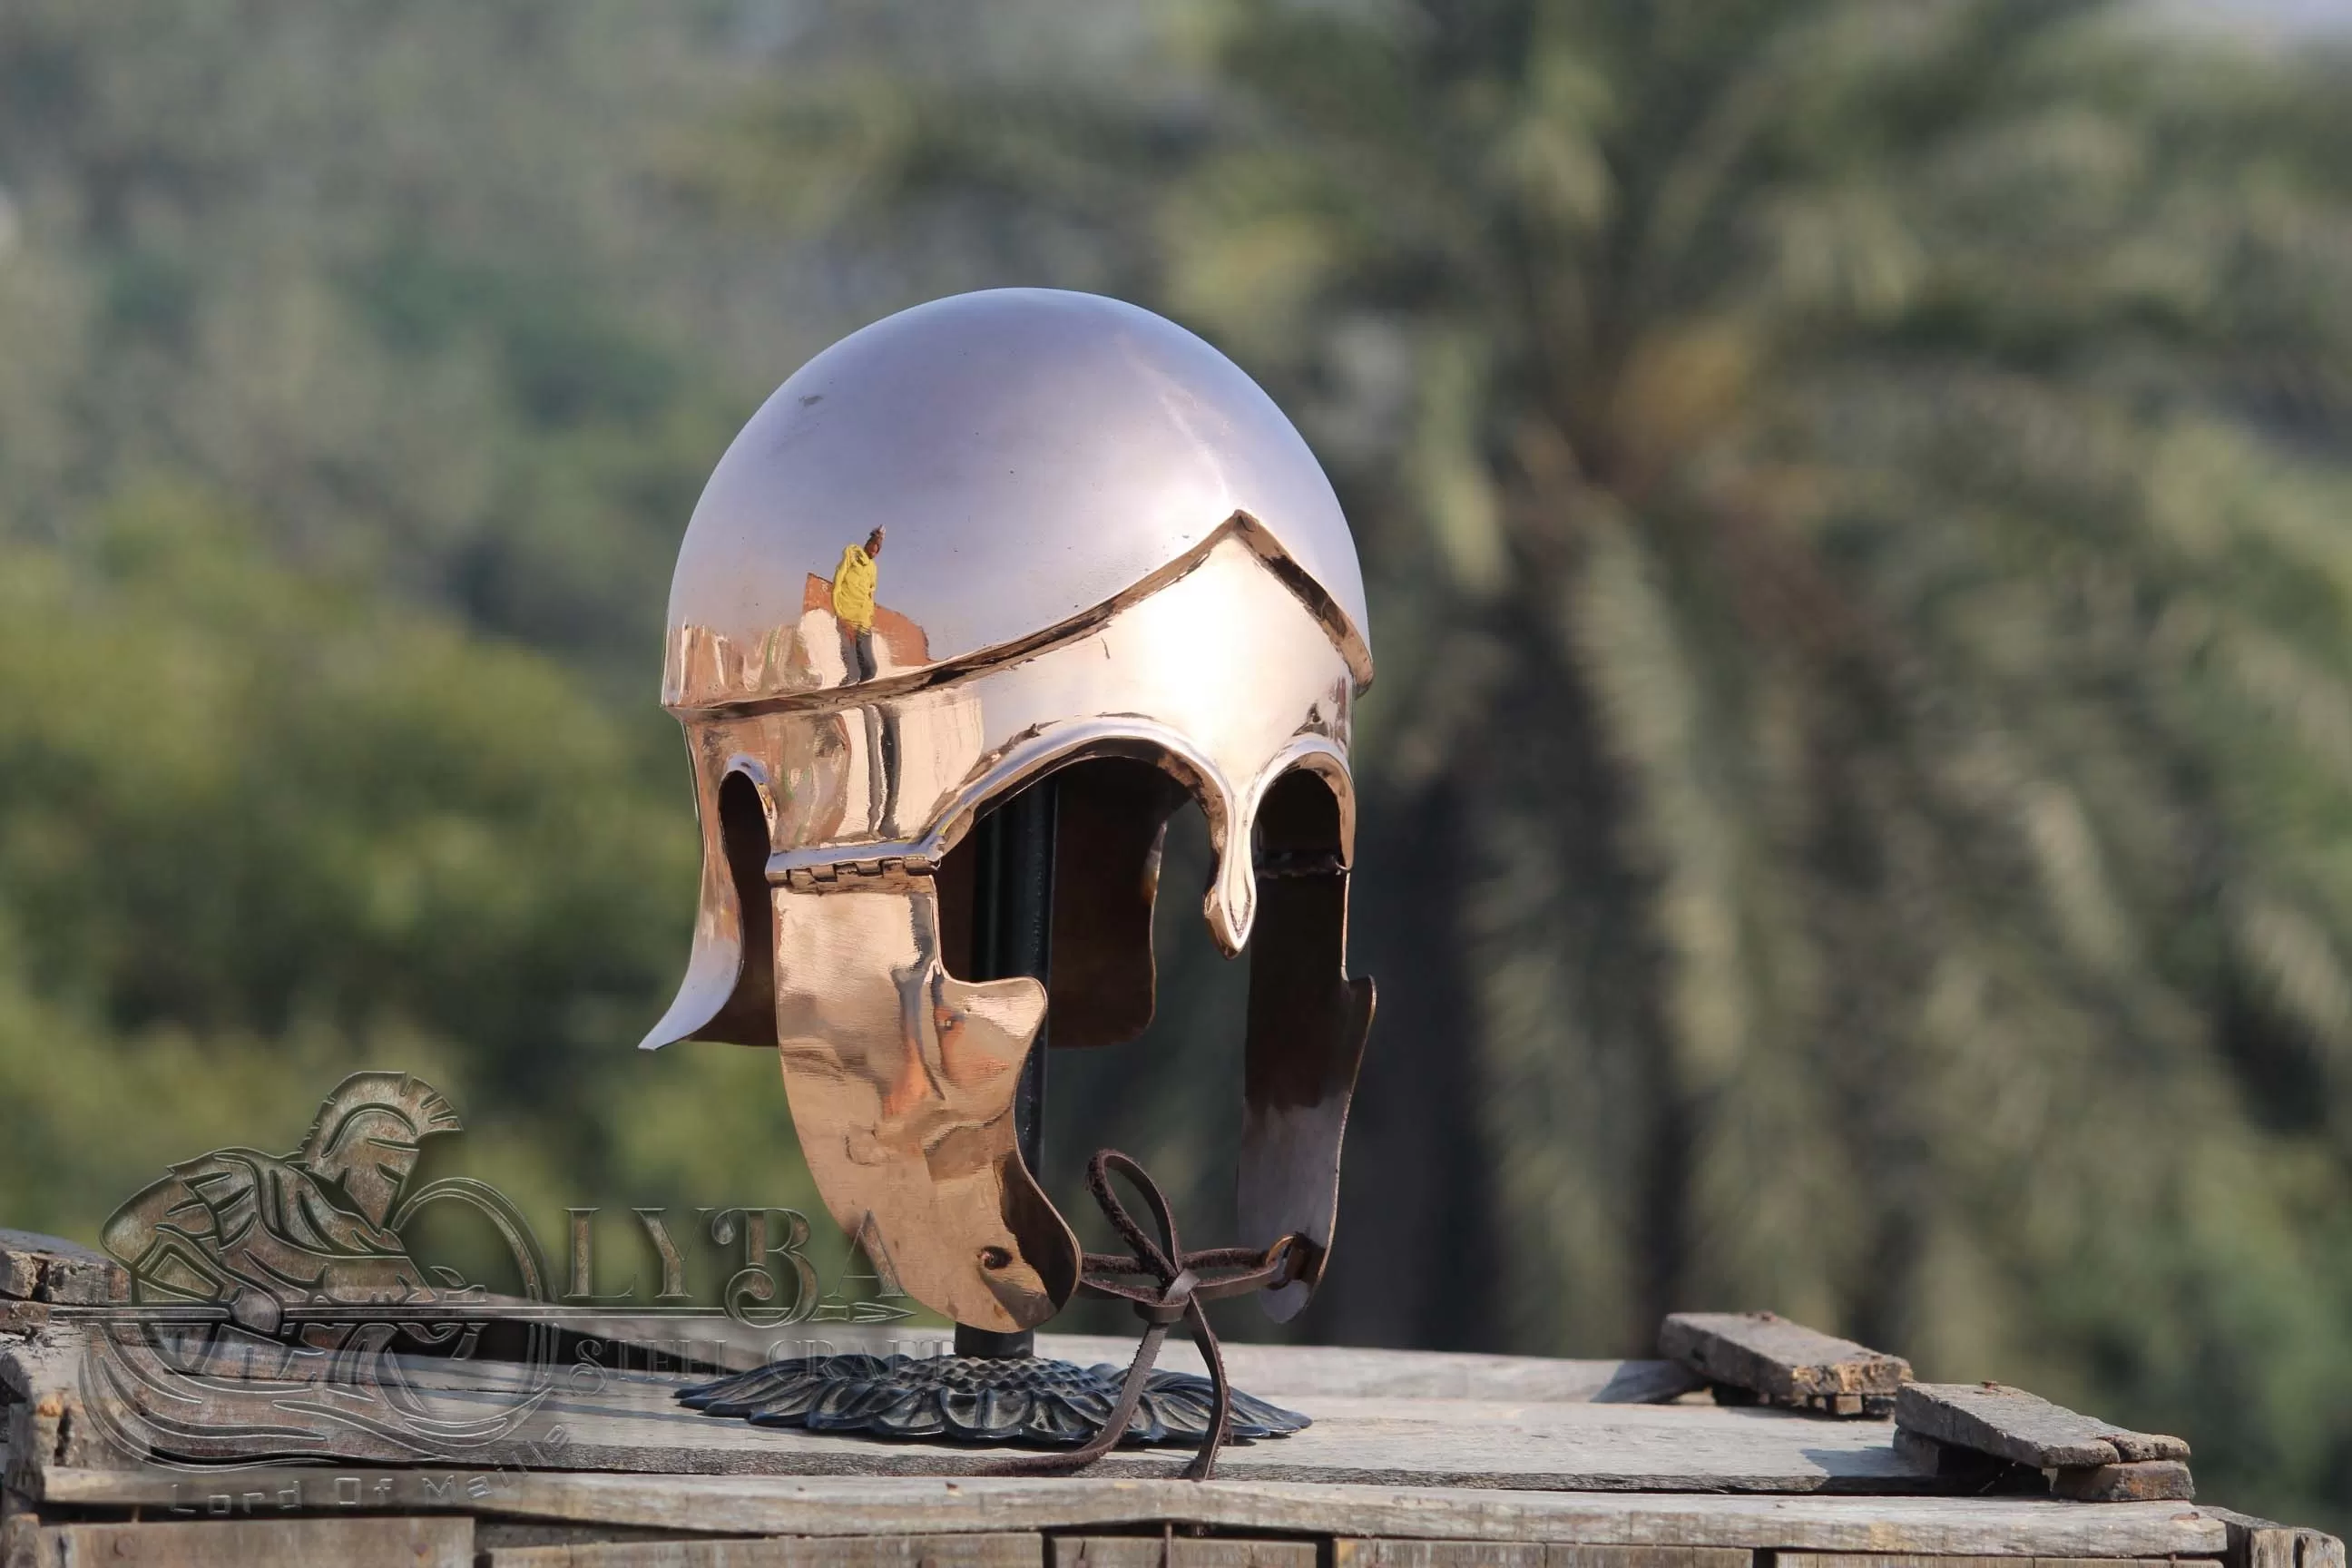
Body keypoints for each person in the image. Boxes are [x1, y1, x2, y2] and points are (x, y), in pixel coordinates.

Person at [831, 526, 900, 831]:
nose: (874, 551)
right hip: (847, 613)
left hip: (863, 619)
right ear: (868, 542)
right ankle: (850, 683)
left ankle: (860, 689)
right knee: (852, 661)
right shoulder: (851, 553)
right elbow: (838, 581)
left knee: (869, 667)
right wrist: (838, 611)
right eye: (874, 545)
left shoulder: (872, 567)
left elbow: (871, 594)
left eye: (879, 549)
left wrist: (868, 617)